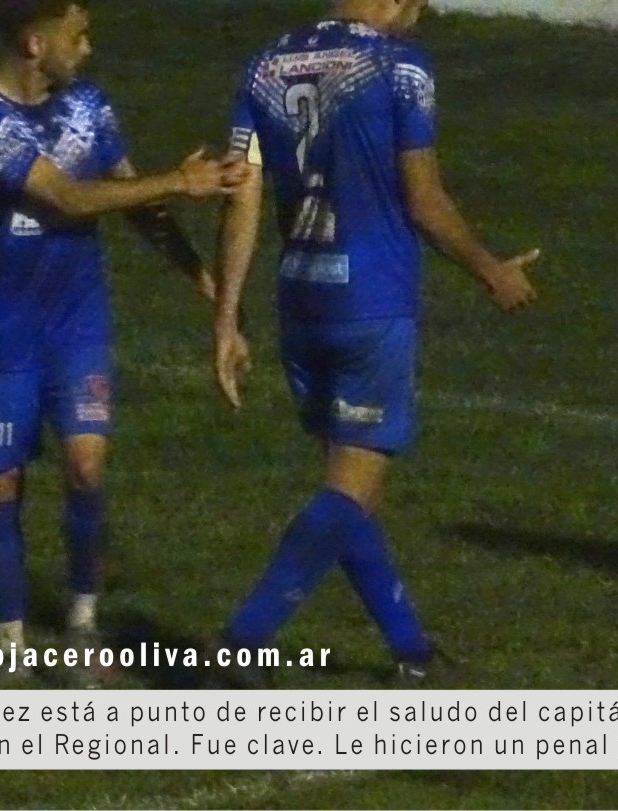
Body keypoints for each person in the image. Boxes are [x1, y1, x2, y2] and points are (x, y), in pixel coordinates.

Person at [210, 0, 540, 683]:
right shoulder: (398, 66)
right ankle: (242, 643)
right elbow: (424, 199)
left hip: (301, 296)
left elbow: (240, 193)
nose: (418, 18)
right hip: (369, 300)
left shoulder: (266, 63)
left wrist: (227, 316)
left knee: (352, 491)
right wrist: (491, 270)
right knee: (347, 496)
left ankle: (413, 654)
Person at [0, 0, 245, 683]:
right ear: (35, 43)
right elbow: (68, 198)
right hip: (1, 332)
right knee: (0, 483)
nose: (87, 48)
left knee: (86, 468)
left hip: (75, 325)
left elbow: (132, 197)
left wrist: (204, 281)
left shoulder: (88, 106)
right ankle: (10, 649)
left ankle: (83, 628)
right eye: (77, 36)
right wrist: (182, 179)